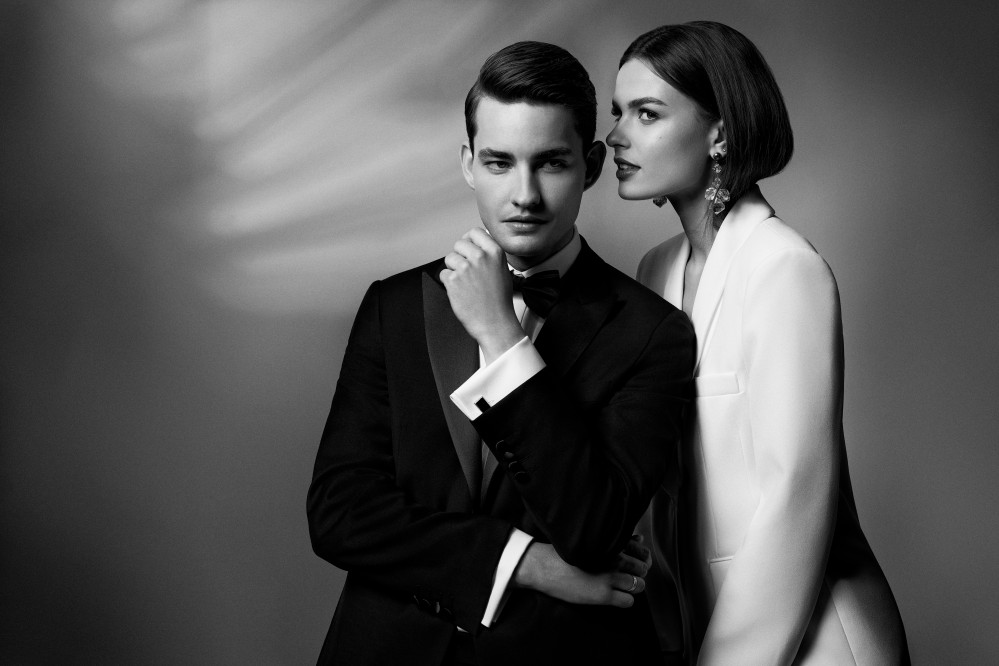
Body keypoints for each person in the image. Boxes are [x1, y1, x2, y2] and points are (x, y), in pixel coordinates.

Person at [307, 41, 695, 665]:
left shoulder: (653, 333)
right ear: (468, 164)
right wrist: (524, 562)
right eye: (498, 163)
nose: (525, 195)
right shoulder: (394, 306)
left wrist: (502, 337)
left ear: (592, 165)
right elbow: (339, 512)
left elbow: (594, 530)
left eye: (551, 163)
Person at [605, 21, 910, 664]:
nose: (617, 136)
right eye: (617, 113)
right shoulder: (654, 270)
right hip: (698, 625)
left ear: (720, 133)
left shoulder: (783, 267)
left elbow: (795, 496)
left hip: (812, 638)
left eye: (647, 113)